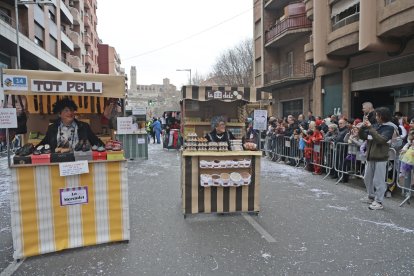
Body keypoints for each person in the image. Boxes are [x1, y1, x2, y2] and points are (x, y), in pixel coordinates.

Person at [358, 107, 395, 210]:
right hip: (370, 156)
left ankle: (379, 201)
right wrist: (362, 127)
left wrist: (370, 128)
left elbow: (381, 140)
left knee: (378, 181)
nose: (376, 117)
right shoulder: (375, 126)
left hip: (380, 157)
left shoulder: (389, 128)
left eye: (378, 115)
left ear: (383, 116)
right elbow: (362, 136)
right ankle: (371, 196)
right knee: (367, 178)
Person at [37, 98, 103, 152]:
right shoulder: (52, 128)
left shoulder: (84, 126)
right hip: (58, 161)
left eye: (71, 110)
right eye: (66, 110)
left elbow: (96, 142)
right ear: (59, 114)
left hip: (79, 162)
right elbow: (44, 143)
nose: (70, 113)